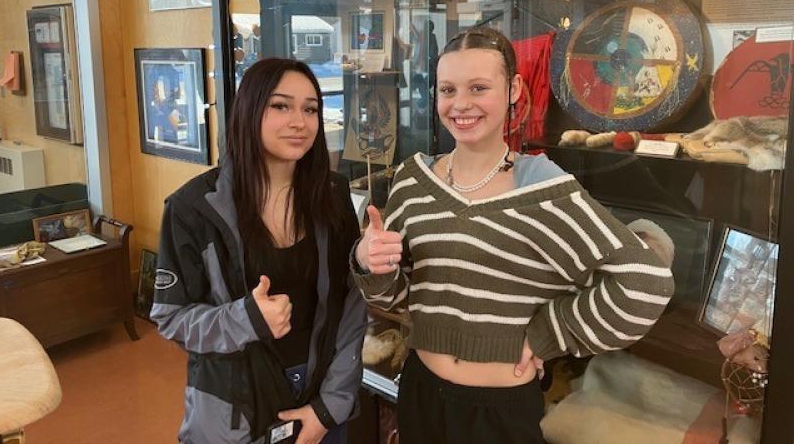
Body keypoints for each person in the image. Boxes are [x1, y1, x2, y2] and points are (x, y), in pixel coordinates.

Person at [351, 27, 675, 443]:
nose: (461, 104)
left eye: (479, 87)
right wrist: (369, 263)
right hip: (421, 394)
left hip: (500, 413)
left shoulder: (542, 187)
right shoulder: (413, 180)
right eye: (447, 89)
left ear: (514, 89)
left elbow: (644, 284)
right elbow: (397, 296)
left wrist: (550, 332)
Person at [152, 58, 367, 444]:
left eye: (310, 109)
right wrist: (245, 318)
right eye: (280, 105)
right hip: (233, 410)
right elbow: (172, 318)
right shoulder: (193, 208)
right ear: (250, 110)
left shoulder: (332, 194)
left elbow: (352, 303)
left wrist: (330, 405)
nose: (299, 121)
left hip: (322, 398)